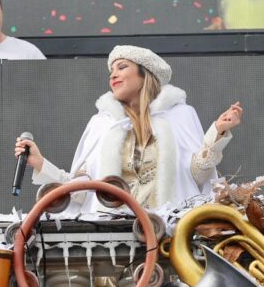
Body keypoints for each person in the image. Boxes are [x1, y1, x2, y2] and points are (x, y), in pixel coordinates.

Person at [14, 45, 243, 213]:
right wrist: (41, 164)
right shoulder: (102, 124)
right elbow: (81, 191)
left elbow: (196, 176)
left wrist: (217, 134)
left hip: (168, 234)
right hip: (114, 240)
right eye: (111, 71)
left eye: (122, 67)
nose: (113, 74)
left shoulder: (179, 115)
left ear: (145, 75)